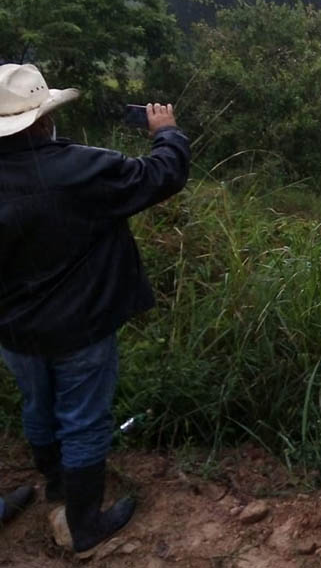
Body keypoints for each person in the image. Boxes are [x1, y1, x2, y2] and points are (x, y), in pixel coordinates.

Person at [0, 64, 190, 557]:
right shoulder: (82, 167)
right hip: (81, 326)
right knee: (83, 418)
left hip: (14, 332)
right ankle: (84, 527)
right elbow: (162, 175)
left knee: (38, 406)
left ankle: (58, 489)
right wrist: (166, 133)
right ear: (44, 120)